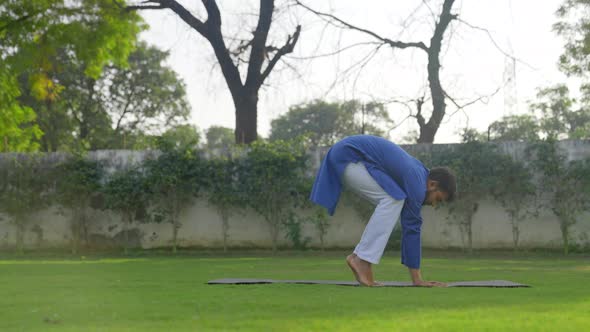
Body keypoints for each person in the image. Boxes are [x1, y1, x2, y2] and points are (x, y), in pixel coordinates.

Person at [310, 135, 456, 287]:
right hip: (348, 155)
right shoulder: (417, 182)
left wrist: (417, 279)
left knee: (395, 199)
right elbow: (412, 228)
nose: (433, 205)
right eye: (437, 199)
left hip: (349, 155)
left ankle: (360, 258)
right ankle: (360, 260)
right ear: (432, 184)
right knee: (393, 199)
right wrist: (418, 280)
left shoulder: (418, 175)